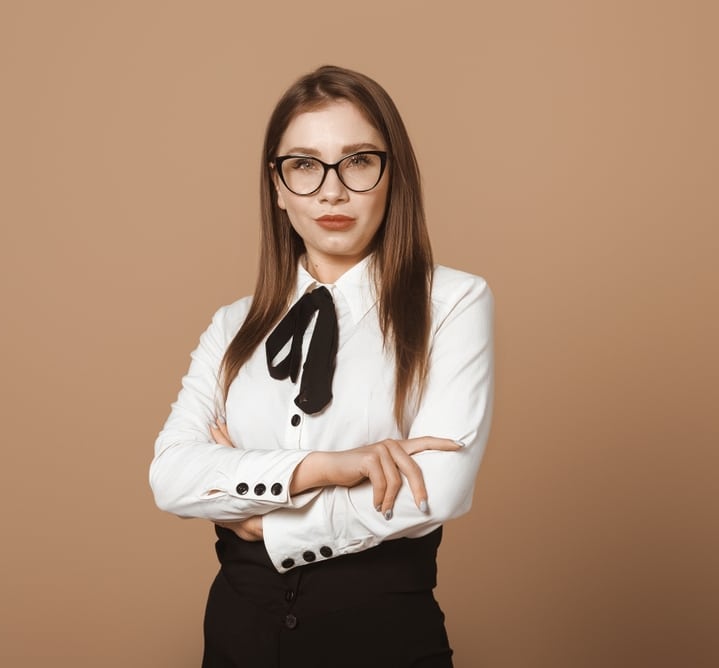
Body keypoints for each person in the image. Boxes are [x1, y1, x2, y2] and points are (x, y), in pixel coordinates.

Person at [150, 65, 494, 667]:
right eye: (304, 165)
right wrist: (331, 467)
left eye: (358, 161)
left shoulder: (453, 302)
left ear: (394, 177)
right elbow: (172, 475)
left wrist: (263, 517)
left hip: (382, 637)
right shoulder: (232, 326)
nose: (331, 192)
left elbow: (436, 490)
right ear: (277, 187)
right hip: (237, 634)